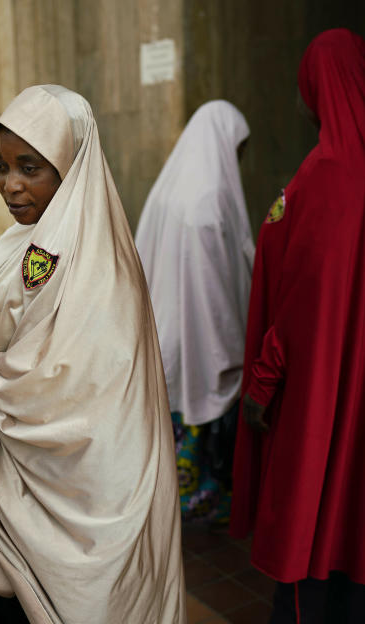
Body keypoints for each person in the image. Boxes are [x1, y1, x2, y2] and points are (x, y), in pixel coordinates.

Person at [0, 85, 187, 624]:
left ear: (71, 165)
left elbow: (43, 395)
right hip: (20, 500)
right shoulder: (23, 243)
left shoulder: (96, 265)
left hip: (85, 504)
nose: (10, 184)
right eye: (1, 165)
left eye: (30, 167)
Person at [230, 29, 365, 624]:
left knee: (313, 519)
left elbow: (308, 304)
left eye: (302, 80)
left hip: (318, 387)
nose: (296, 95)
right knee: (358, 510)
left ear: (322, 86)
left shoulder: (329, 174)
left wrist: (262, 381)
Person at [135, 100, 253, 525]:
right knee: (199, 416)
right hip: (197, 337)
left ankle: (173, 501)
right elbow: (213, 291)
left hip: (164, 332)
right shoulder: (209, 199)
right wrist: (234, 342)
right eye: (239, 148)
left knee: (172, 420)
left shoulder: (169, 189)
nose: (239, 158)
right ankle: (201, 504)